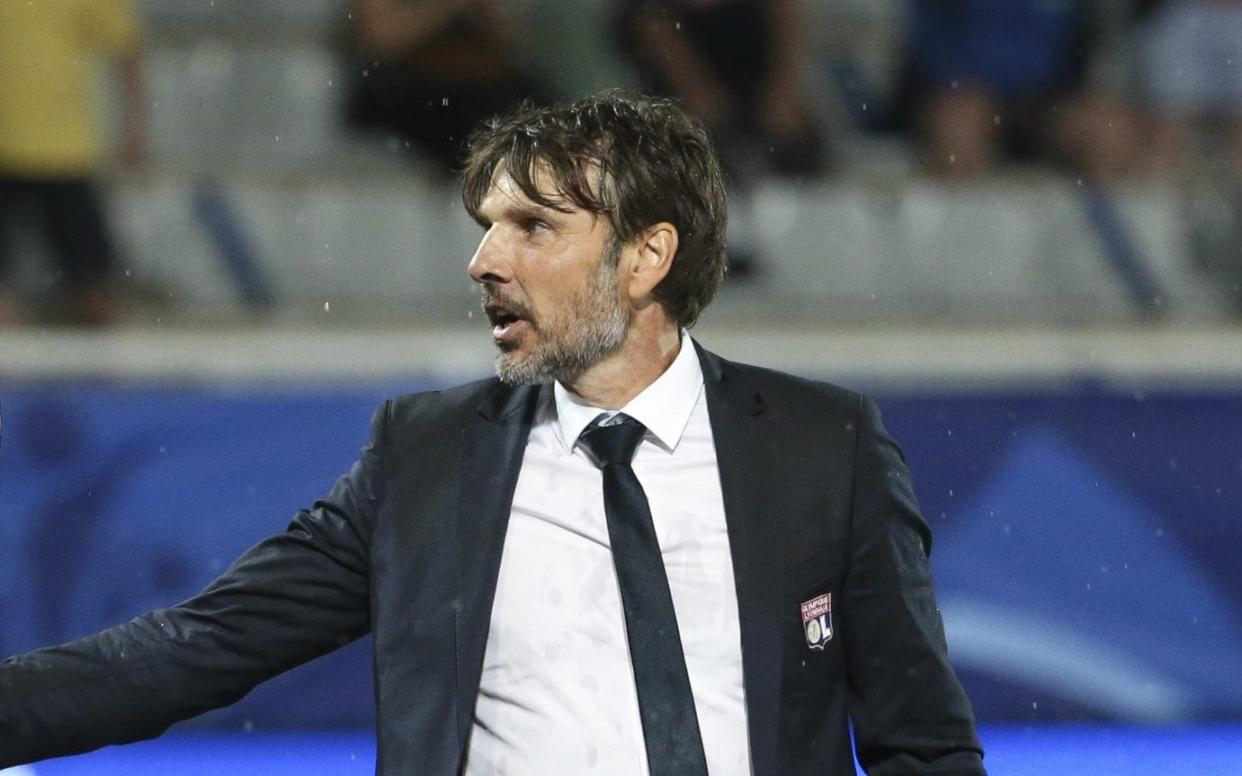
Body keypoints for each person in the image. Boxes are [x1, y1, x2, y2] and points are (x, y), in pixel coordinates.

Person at [0, 93, 985, 775]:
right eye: (485, 225)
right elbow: (193, 647)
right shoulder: (425, 457)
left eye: (532, 226)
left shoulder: (823, 446)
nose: (481, 260)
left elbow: (924, 742)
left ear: (647, 256)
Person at [0, 0, 146, 326]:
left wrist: (135, 128)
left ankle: (107, 370)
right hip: (17, 149)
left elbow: (125, 47)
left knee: (96, 289)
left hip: (66, 153)